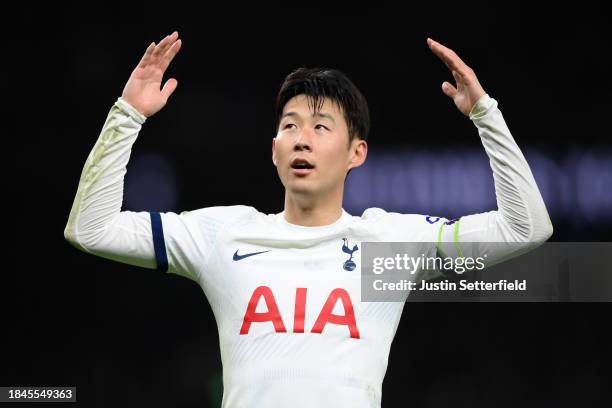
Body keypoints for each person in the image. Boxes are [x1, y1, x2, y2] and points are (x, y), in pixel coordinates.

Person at [64, 31, 553, 407]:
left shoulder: (388, 243)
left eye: (321, 127)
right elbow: (90, 228)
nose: (302, 139)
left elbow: (525, 227)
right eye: (290, 126)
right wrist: (127, 114)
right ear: (273, 150)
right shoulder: (223, 233)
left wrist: (484, 114)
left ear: (356, 152)